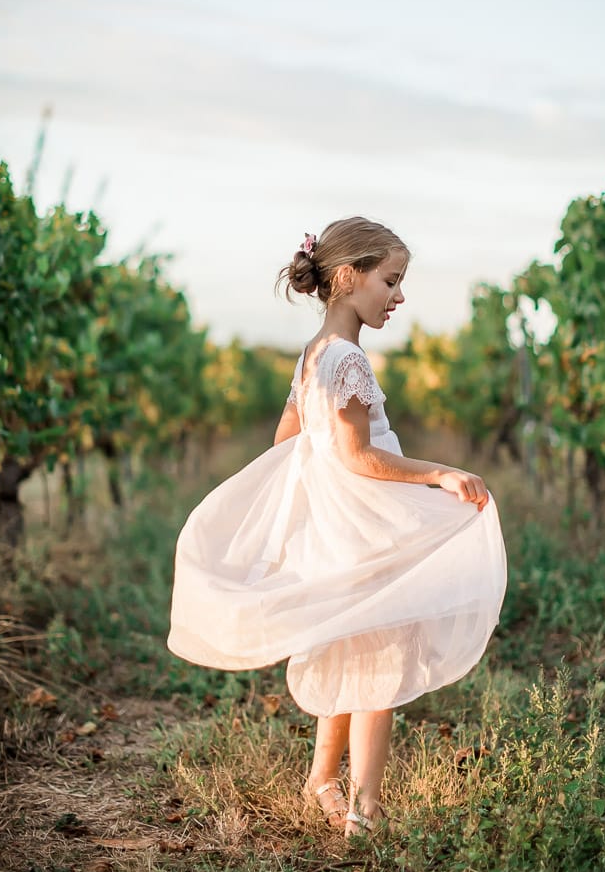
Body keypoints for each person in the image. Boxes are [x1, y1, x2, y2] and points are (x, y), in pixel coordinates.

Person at [168, 217, 507, 839]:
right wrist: (438, 473)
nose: (399, 297)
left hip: (342, 523)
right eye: (391, 281)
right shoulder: (348, 357)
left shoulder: (312, 355)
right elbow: (357, 456)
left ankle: (323, 779)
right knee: (383, 661)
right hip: (365, 522)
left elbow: (288, 440)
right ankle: (365, 812)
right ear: (348, 278)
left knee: (353, 645)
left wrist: (308, 504)